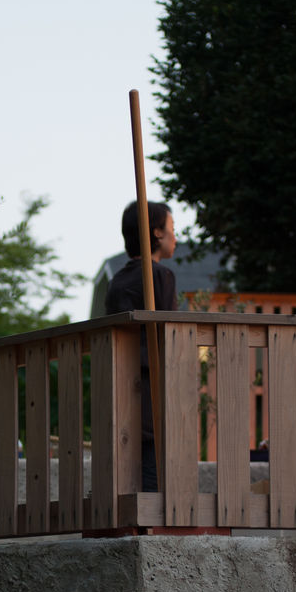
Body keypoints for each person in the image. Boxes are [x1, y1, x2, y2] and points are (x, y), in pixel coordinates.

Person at [105, 201, 181, 490]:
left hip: (119, 385)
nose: (176, 237)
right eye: (173, 229)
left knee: (125, 471)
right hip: (151, 386)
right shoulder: (158, 276)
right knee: (153, 468)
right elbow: (169, 335)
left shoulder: (118, 281)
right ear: (157, 233)